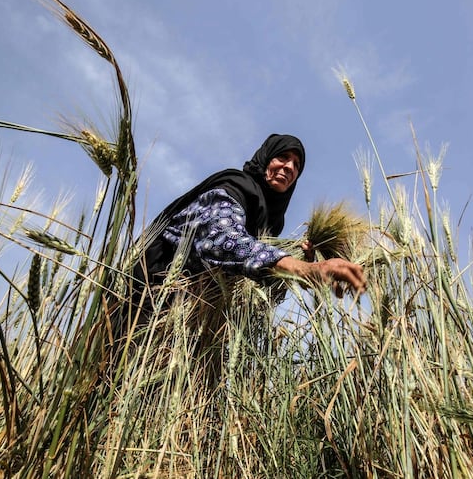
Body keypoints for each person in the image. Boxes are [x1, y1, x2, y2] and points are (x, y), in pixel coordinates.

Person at [113, 133, 366, 341]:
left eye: (297, 165)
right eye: (283, 157)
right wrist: (300, 268)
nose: (289, 167)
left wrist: (295, 276)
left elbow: (257, 292)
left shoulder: (270, 227)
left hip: (185, 332)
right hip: (141, 309)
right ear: (266, 158)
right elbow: (222, 239)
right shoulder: (236, 187)